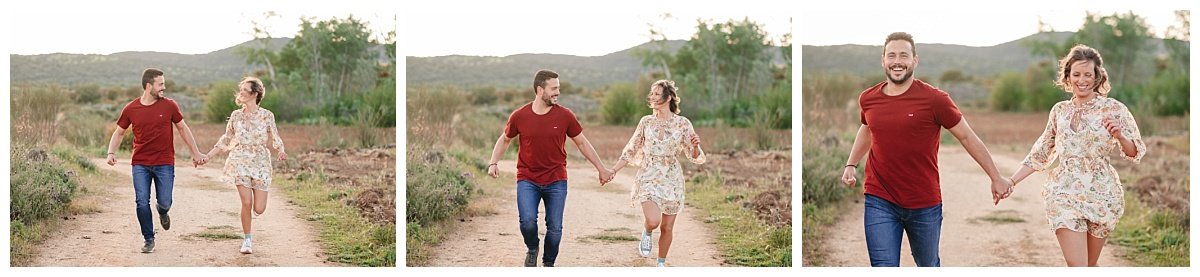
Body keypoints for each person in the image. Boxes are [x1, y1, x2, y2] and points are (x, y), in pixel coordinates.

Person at [839, 32, 1014, 267]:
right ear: (883, 60)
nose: (897, 61)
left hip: (924, 202)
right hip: (879, 198)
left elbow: (967, 137)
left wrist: (995, 177)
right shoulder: (868, 98)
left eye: (904, 55)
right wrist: (851, 164)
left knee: (928, 265)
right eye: (891, 55)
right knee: (883, 266)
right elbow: (868, 129)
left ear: (915, 61)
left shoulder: (935, 99)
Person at [1007, 44, 1145, 267]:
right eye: (1077, 74)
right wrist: (1011, 181)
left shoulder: (1114, 108)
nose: (1082, 80)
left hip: (1102, 193)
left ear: (1097, 76)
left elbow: (1134, 151)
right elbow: (1041, 151)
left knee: (1089, 266)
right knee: (1077, 266)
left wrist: (1120, 135)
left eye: (1088, 74)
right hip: (1064, 191)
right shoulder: (1059, 111)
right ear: (1068, 77)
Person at [485, 69, 612, 267]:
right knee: (527, 222)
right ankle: (533, 247)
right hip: (527, 178)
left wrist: (601, 169)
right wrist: (493, 162)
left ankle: (549, 264)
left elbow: (582, 143)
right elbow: (505, 139)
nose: (557, 93)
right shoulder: (520, 116)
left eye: (558, 88)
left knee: (555, 228)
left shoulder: (565, 116)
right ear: (539, 90)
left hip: (556, 179)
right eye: (553, 89)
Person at [105, 68, 206, 253]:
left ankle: (163, 210)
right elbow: (119, 132)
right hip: (140, 163)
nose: (164, 88)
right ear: (149, 85)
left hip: (164, 163)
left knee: (165, 201)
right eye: (160, 84)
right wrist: (111, 152)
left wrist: (196, 153)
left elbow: (183, 129)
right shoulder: (131, 108)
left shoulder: (169, 105)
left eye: (164, 84)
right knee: (141, 201)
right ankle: (149, 238)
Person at [605, 80, 704, 267]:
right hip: (648, 174)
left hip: (672, 178)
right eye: (651, 93)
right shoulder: (646, 122)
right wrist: (613, 170)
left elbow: (694, 155)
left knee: (667, 227)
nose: (652, 97)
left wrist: (696, 145)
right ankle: (647, 231)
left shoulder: (683, 124)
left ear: (668, 98)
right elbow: (631, 149)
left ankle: (660, 264)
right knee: (653, 220)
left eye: (656, 94)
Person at [201, 76, 287, 254]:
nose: (240, 92)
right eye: (240, 89)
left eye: (244, 90)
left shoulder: (267, 115)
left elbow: (275, 136)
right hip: (239, 159)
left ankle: (256, 210)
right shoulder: (236, 115)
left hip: (260, 161)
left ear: (254, 94)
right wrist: (208, 156)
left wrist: (280, 149)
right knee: (246, 202)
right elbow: (226, 138)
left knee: (259, 208)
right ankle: (247, 240)